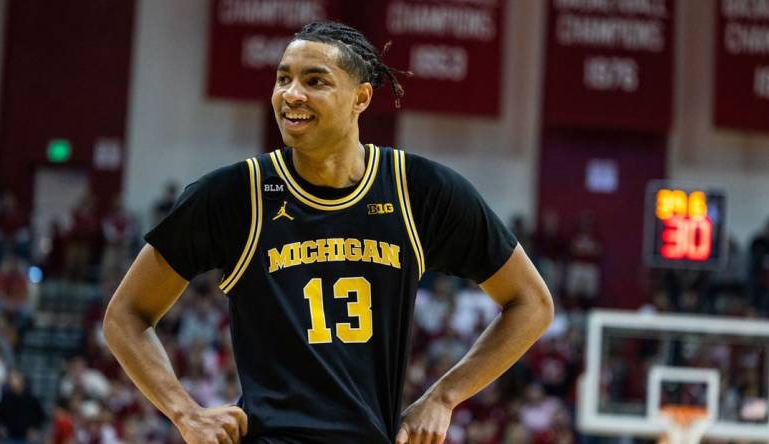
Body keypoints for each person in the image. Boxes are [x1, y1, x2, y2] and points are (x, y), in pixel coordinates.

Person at [103, 21, 553, 444]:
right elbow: (125, 314)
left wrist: (444, 395)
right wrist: (185, 413)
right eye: (283, 78)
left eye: (315, 81)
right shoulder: (234, 194)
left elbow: (531, 303)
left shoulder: (420, 191)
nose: (291, 94)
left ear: (361, 98)